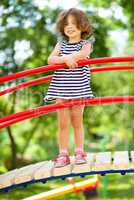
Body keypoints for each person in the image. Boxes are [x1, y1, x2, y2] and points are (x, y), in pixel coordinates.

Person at [44, 8, 95, 168]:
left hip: (79, 89)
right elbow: (50, 60)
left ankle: (79, 151)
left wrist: (70, 57)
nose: (70, 26)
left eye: (74, 23)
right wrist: (65, 58)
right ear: (62, 27)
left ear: (82, 25)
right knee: (63, 124)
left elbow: (83, 54)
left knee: (77, 121)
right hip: (61, 90)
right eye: (66, 24)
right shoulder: (61, 45)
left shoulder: (85, 44)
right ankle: (63, 154)